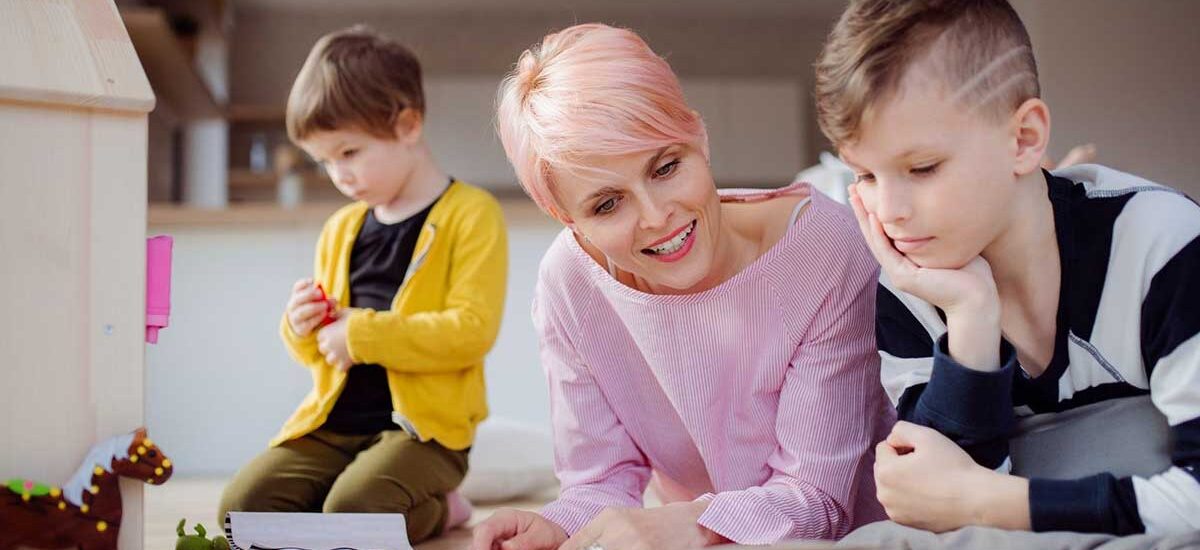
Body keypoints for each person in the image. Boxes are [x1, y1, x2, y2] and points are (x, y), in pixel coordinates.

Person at [471, 23, 894, 550]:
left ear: (700, 137)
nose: (656, 217)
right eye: (608, 204)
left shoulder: (823, 248)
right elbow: (600, 481)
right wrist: (557, 526)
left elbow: (818, 502)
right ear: (567, 219)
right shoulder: (571, 283)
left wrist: (691, 523)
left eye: (666, 167)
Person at [814, 0, 1200, 536]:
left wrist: (985, 500)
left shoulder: (1162, 244)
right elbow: (940, 516)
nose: (889, 211)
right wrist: (971, 323)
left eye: (922, 168)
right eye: (866, 177)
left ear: (1024, 139)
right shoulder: (906, 290)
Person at [218, 25, 508, 544]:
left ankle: (441, 510)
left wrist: (362, 334)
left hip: (425, 434)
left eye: (349, 153)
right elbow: (322, 352)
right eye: (324, 161)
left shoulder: (472, 214)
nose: (339, 175)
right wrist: (300, 326)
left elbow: (472, 331)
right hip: (335, 426)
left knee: (355, 510)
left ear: (408, 125)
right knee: (242, 511)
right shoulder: (340, 229)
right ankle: (340, 518)